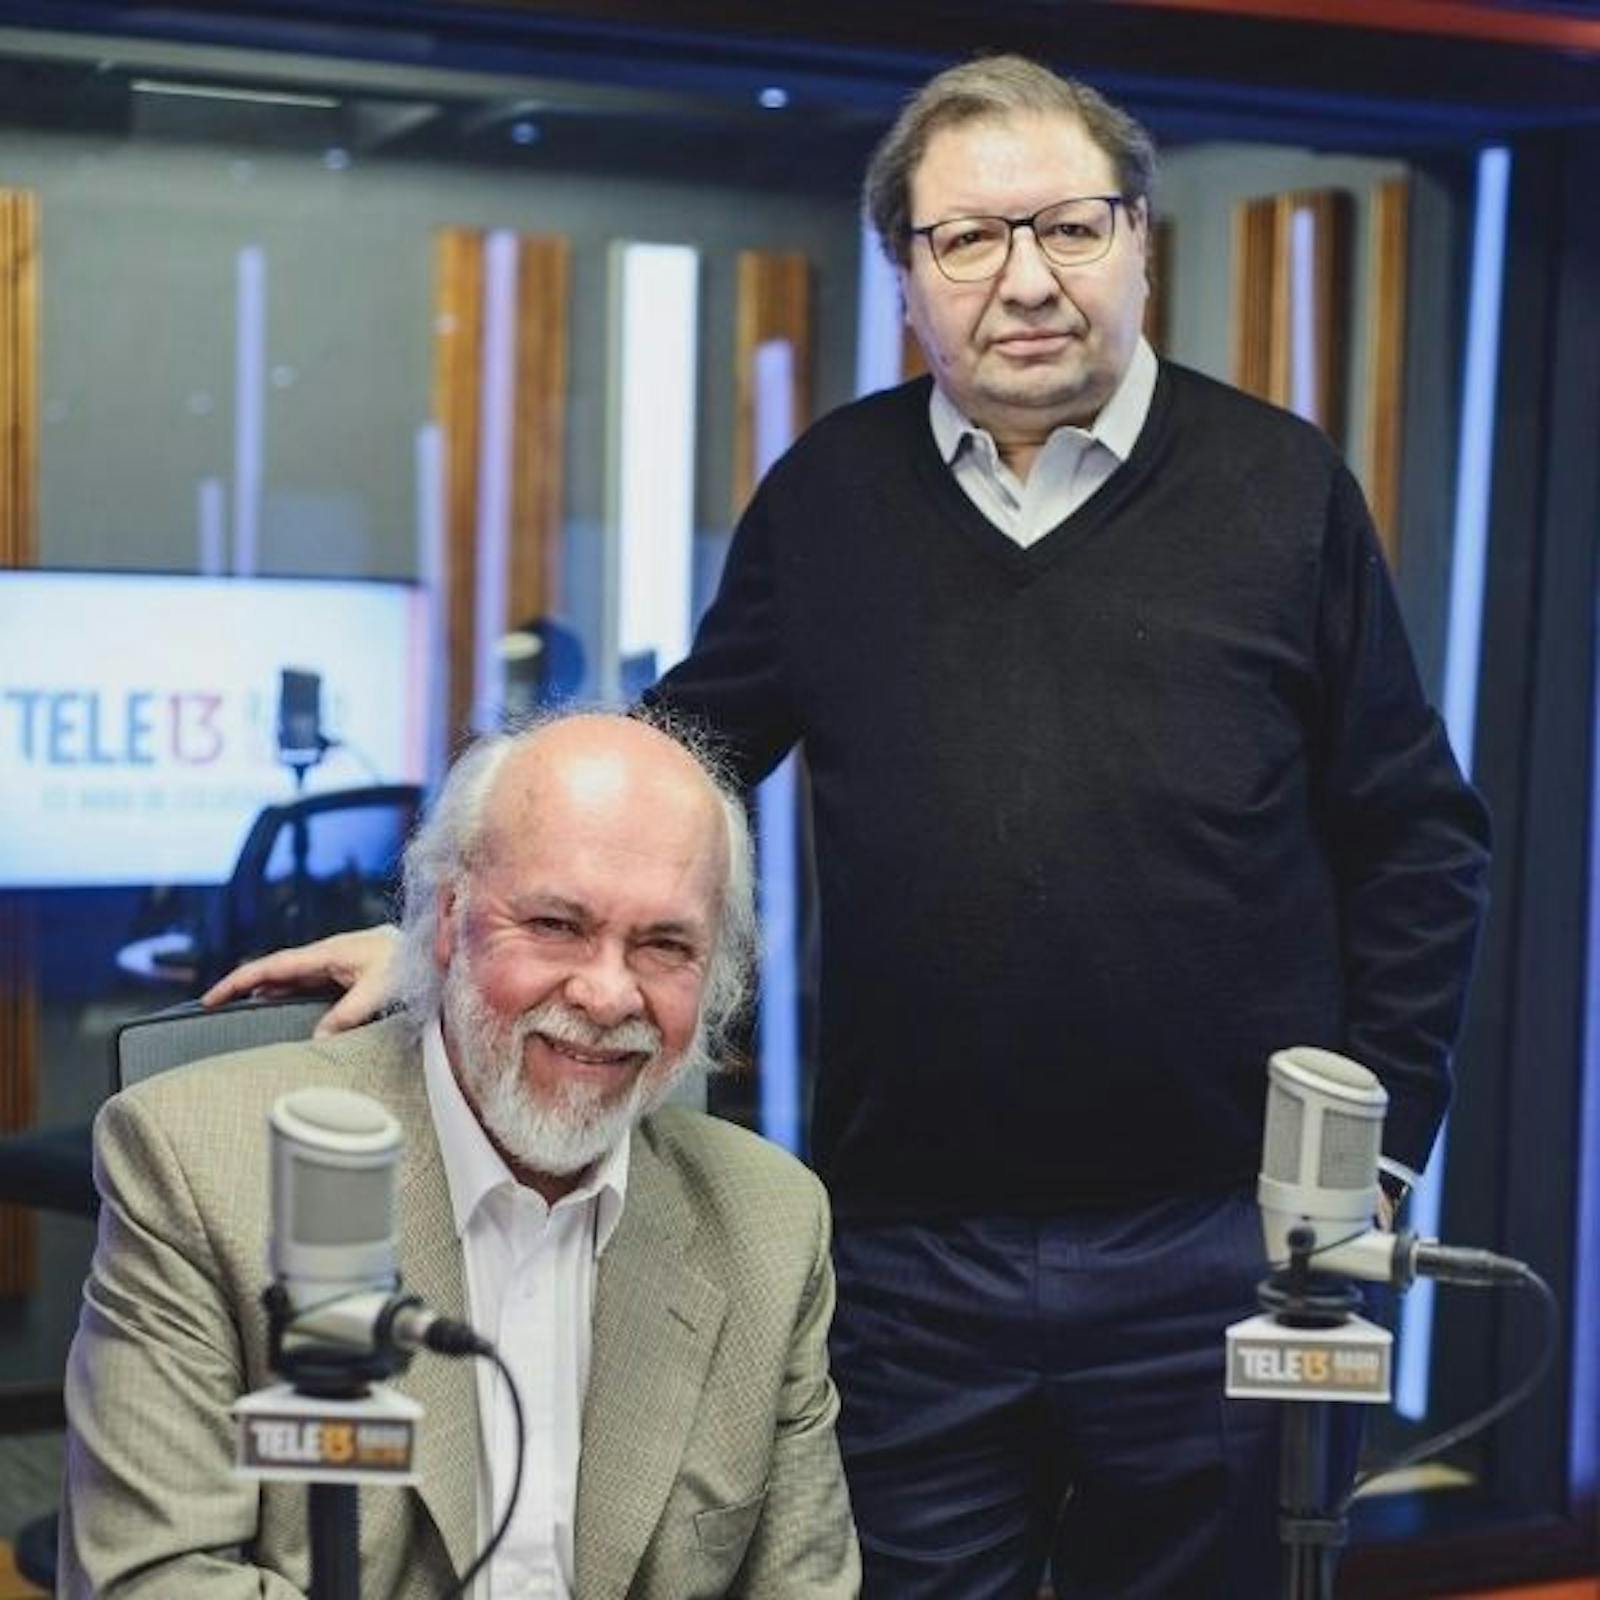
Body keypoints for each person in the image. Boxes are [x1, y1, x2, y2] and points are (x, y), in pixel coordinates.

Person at [206, 54, 1491, 1599]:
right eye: (970, 238)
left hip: (1221, 1247)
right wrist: (438, 935)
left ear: (1139, 239)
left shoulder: (1280, 487)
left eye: (1070, 227)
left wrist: (1373, 1176)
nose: (1027, 279)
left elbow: (1419, 843)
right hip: (907, 1257)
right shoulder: (831, 496)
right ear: (907, 274)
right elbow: (675, 759)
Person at [62, 712, 860, 1599]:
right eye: (556, 923)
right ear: (448, 917)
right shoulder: (202, 1167)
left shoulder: (770, 1224)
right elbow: (152, 1580)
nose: (607, 994)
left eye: (665, 945)